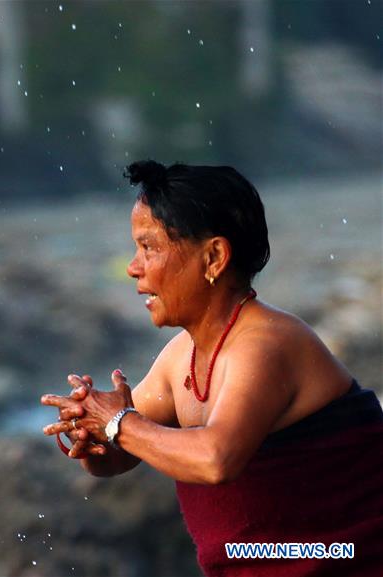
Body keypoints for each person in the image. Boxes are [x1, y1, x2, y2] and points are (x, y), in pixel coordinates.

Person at [40, 160, 383, 577]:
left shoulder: (268, 343)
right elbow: (120, 454)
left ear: (215, 257)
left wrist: (117, 422)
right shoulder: (178, 357)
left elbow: (215, 459)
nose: (133, 267)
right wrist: (91, 437)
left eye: (149, 248)